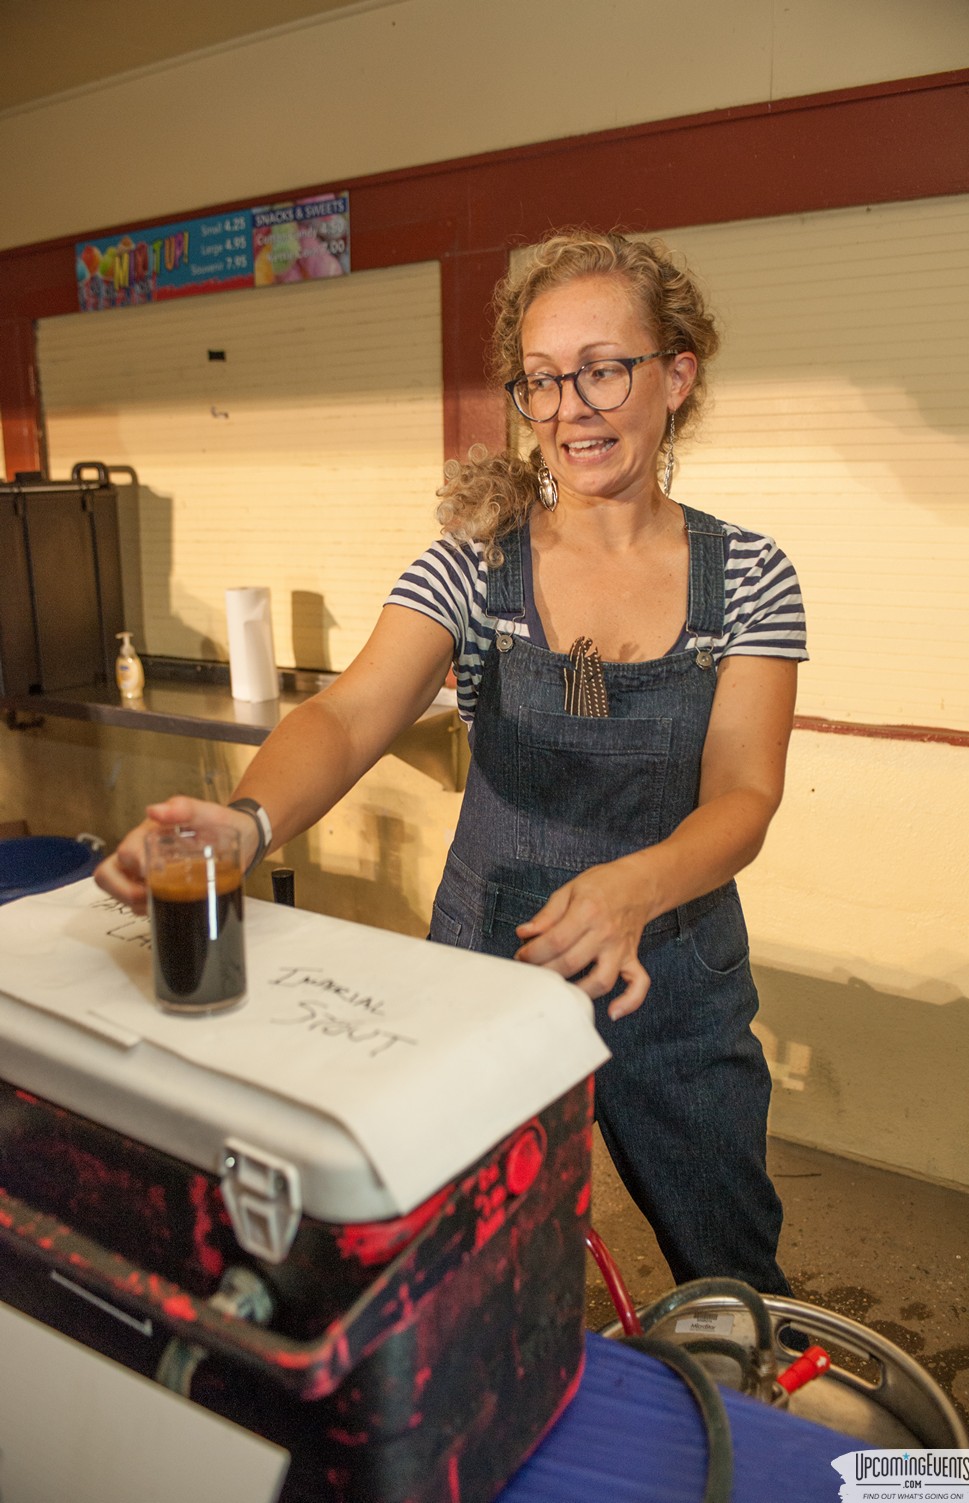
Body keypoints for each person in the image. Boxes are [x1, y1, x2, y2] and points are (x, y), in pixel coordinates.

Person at [96, 229, 807, 1294]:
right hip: (488, 965)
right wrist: (244, 823)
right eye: (542, 381)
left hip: (677, 973)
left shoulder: (748, 574)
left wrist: (633, 888)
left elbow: (745, 795)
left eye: (604, 369)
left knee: (730, 1270)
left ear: (676, 374)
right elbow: (345, 717)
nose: (571, 408)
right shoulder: (476, 563)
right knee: (480, 1267)